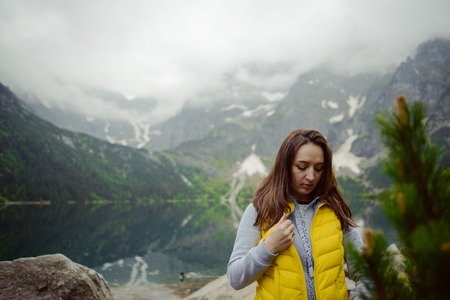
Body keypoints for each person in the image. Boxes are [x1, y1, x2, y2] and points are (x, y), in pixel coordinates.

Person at [227, 128, 365, 300]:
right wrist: (268, 247)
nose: (311, 176)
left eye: (319, 168)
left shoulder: (336, 210)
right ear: (285, 165)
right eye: (302, 166)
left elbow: (367, 275)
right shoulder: (259, 210)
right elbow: (235, 278)